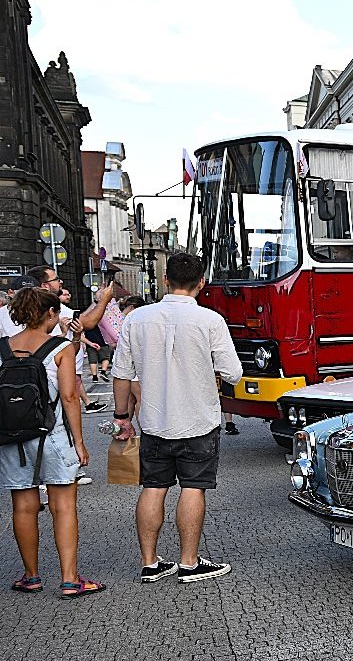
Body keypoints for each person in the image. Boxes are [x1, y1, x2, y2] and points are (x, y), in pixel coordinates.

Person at [110, 253, 243, 584]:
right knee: (193, 488)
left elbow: (121, 375)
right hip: (198, 419)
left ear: (166, 280)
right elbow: (234, 373)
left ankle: (150, 562)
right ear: (201, 283)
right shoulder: (210, 321)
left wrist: (122, 417)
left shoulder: (137, 319)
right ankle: (188, 561)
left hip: (154, 420)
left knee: (153, 487)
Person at [3, 287, 100, 598]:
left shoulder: (3, 348)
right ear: (50, 314)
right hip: (53, 434)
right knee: (63, 505)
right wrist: (81, 443)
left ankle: (31, 576)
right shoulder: (60, 348)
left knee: (23, 505)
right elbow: (70, 397)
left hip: (12, 438)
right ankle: (70, 579)